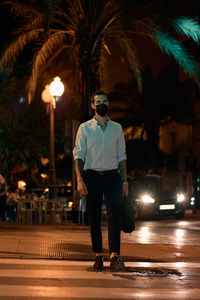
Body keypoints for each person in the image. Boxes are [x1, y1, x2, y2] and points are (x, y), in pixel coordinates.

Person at [73, 91, 128, 271]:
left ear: (108, 104)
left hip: (113, 176)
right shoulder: (85, 128)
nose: (101, 104)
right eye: (98, 102)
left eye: (104, 101)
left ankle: (114, 255)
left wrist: (125, 181)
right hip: (92, 176)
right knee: (94, 217)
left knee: (114, 217)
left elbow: (122, 157)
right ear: (92, 106)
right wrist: (80, 180)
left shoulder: (117, 128)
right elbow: (78, 156)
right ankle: (98, 256)